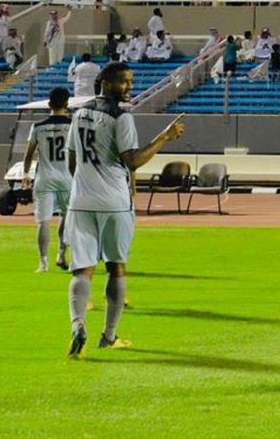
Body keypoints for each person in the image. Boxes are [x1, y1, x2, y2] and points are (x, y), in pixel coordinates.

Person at [65, 62, 185, 357]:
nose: (129, 87)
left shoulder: (78, 113)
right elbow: (132, 160)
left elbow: (71, 160)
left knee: (82, 270)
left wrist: (84, 184)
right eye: (123, 81)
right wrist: (164, 138)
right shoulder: (121, 117)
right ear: (105, 83)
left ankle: (77, 323)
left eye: (130, 81)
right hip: (115, 203)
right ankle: (108, 336)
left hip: (80, 202)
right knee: (116, 267)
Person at [22, 87, 73, 273]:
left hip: (44, 179)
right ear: (67, 104)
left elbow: (28, 155)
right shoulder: (73, 126)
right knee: (67, 217)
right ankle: (61, 254)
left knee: (43, 222)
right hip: (67, 178)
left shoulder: (37, 127)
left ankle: (43, 263)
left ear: (49, 104)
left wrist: (26, 174)